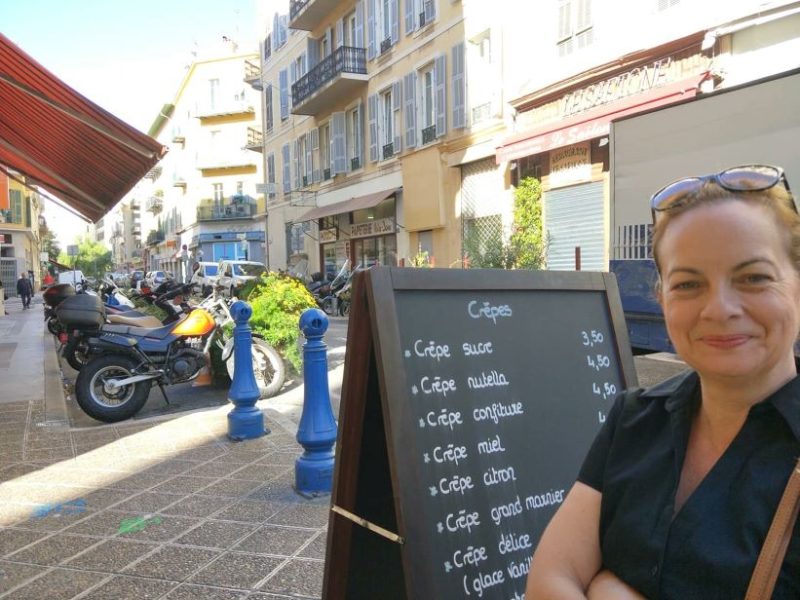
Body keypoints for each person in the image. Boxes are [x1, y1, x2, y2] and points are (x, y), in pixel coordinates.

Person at [526, 165, 800, 599]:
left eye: (753, 278)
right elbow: (549, 580)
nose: (719, 308)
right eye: (689, 284)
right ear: (662, 298)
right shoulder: (633, 420)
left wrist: (609, 591)